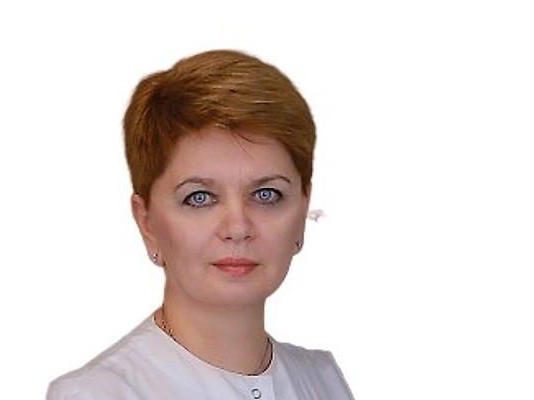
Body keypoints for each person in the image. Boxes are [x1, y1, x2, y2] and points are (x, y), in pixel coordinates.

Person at [47, 49, 354, 400]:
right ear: (146, 223)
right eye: (199, 198)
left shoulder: (324, 380)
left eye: (266, 194)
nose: (238, 228)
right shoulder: (99, 394)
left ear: (302, 211)